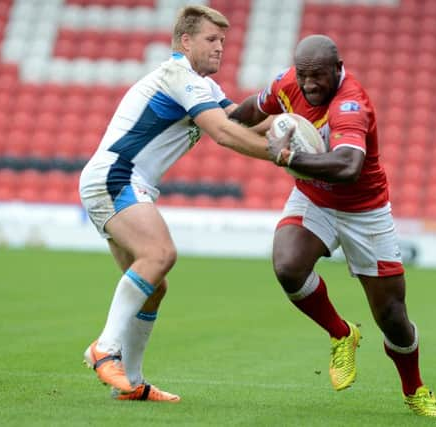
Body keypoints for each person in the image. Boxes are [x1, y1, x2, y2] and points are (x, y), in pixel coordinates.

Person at [78, 5, 291, 402]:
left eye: (223, 41)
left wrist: (294, 121)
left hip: (120, 180)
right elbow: (225, 135)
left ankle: (134, 383)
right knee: (160, 253)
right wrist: (282, 155)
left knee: (154, 287)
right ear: (186, 41)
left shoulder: (202, 87)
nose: (220, 48)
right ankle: (105, 348)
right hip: (117, 176)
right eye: (211, 40)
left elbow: (242, 122)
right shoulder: (178, 75)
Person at [229, 34, 436, 417]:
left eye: (318, 76)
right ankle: (341, 333)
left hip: (365, 210)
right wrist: (212, 122)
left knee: (393, 317)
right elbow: (251, 109)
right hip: (314, 198)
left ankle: (415, 389)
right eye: (303, 76)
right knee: (288, 267)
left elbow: (348, 167)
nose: (309, 84)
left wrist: (289, 157)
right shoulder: (287, 83)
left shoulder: (351, 103)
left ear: (338, 68)